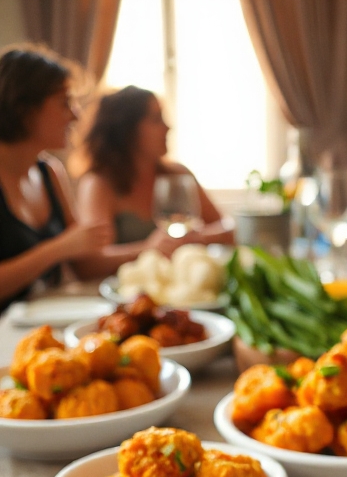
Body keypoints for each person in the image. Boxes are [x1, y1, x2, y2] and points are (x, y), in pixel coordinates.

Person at [0, 45, 111, 311]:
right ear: (24, 107)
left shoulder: (49, 172)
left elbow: (85, 264)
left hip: (35, 324)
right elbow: (67, 247)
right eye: (65, 103)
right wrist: (58, 248)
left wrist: (156, 248)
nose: (76, 114)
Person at [76, 85, 233, 271]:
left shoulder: (179, 174)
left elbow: (228, 229)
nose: (168, 127)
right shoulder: (99, 184)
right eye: (156, 119)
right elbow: (90, 263)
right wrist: (146, 249)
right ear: (128, 129)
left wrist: (200, 238)